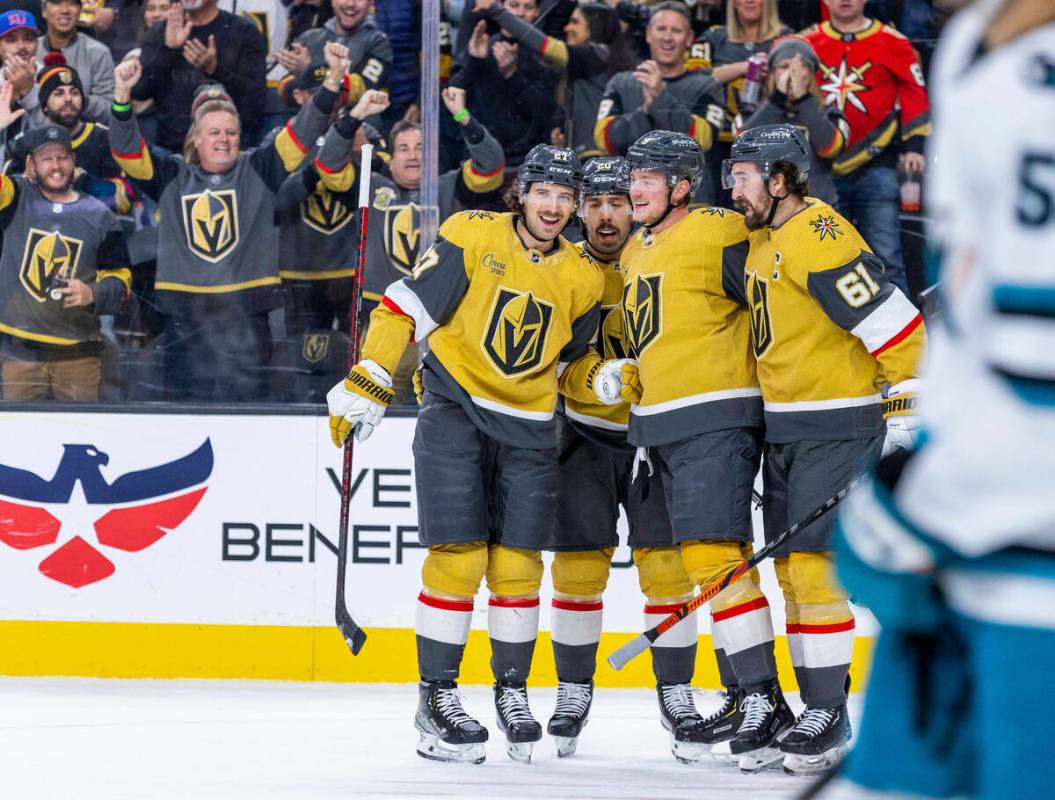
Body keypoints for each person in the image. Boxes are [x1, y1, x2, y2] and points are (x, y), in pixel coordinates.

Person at [326, 145, 625, 766]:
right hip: (456, 413)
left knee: (517, 567)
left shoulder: (583, 276)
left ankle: (511, 692)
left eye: (565, 196)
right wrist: (371, 373)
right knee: (459, 560)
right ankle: (436, 698)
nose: (554, 206)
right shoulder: (469, 234)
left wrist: (598, 379)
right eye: (544, 192)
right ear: (522, 193)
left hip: (532, 431)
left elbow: (567, 363)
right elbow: (404, 305)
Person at [831, 3, 1055, 798]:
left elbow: (1036, 361)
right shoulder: (974, 43)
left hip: (1014, 566)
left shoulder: (1030, 85)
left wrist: (918, 511)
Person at [723, 122, 926, 773]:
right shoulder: (764, 243)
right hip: (787, 431)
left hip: (836, 427)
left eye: (744, 175)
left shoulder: (817, 235)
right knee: (789, 573)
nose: (733, 188)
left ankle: (826, 711)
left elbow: (898, 325)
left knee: (813, 572)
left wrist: (903, 412)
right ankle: (814, 704)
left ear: (779, 180)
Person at [616, 129, 783, 770]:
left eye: (649, 178)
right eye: (634, 177)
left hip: (716, 418)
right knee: (703, 564)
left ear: (683, 186)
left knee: (717, 558)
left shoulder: (720, 229)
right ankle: (754, 698)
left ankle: (762, 700)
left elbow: (777, 294)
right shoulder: (636, 249)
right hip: (655, 429)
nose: (635, 188)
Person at [541, 155, 709, 763]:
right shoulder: (560, 268)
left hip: (657, 439)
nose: (606, 215)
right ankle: (570, 692)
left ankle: (679, 694)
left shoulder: (664, 253)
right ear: (579, 209)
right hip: (582, 439)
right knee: (578, 575)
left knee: (668, 574)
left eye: (618, 202)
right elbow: (546, 359)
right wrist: (593, 379)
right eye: (594, 204)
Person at [109, 43, 352, 401]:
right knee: (181, 422)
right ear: (197, 137)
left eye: (231, 133)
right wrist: (121, 97)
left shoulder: (259, 170)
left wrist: (332, 80)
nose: (223, 140)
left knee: (248, 420)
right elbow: (126, 150)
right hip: (184, 323)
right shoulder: (172, 176)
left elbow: (303, 130)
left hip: (247, 324)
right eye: (214, 132)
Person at [804, 0, 931, 297]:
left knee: (888, 258)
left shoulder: (894, 41)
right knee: (826, 258)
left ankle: (906, 338)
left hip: (879, 165)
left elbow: (915, 94)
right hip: (822, 170)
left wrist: (914, 147)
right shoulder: (804, 43)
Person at [0, 115, 130, 401]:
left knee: (79, 437)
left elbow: (122, 282)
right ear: (31, 165)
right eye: (46, 158)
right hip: (18, 352)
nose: (56, 166)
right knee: (22, 440)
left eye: (62, 157)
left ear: (74, 160)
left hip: (78, 355)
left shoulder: (101, 216)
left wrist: (93, 293)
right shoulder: (14, 196)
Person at [276, 76, 390, 338]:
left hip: (349, 269)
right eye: (315, 93)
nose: (328, 101)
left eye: (336, 94)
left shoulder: (366, 134)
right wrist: (320, 165)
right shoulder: (283, 140)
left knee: (350, 355)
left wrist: (362, 152)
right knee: (298, 356)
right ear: (300, 97)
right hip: (299, 270)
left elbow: (388, 183)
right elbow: (280, 200)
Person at [470, 0, 635, 158]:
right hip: (588, 155)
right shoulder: (594, 60)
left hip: (598, 158)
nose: (567, 27)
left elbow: (544, 45)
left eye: (575, 22)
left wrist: (495, 9)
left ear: (595, 26)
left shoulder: (596, 55)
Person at [594, 2, 724, 199]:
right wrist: (644, 112)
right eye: (661, 29)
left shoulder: (708, 86)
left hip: (689, 204)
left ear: (689, 38)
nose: (667, 37)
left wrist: (659, 99)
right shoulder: (621, 82)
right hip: (630, 201)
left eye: (676, 30)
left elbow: (702, 140)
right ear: (648, 33)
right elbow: (605, 139)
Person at [688, 0, 790, 207]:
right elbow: (691, 81)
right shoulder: (713, 37)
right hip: (718, 144)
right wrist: (745, 67)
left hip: (769, 146)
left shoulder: (787, 38)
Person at [133, 0, 267, 151]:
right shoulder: (161, 30)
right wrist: (168, 50)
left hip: (226, 149)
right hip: (170, 149)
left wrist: (215, 70)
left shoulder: (244, 31)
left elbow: (255, 99)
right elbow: (140, 91)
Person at [6, 53, 131, 214]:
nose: (68, 99)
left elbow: (123, 201)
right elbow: (5, 200)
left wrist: (81, 180)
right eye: (58, 93)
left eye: (74, 92)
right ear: (44, 105)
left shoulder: (105, 139)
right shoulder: (25, 143)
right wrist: (26, 181)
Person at [740, 35, 848, 206]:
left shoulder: (830, 113)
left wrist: (803, 100)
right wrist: (777, 100)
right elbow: (742, 148)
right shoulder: (753, 112)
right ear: (773, 74)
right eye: (784, 66)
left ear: (811, 74)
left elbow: (831, 148)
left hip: (814, 210)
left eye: (800, 67)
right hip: (764, 210)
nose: (792, 74)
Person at [451, 0, 559, 167]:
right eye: (514, 6)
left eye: (528, 7)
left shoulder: (545, 55)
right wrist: (474, 62)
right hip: (481, 156)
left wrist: (513, 75)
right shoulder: (481, 44)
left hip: (529, 161)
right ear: (500, 7)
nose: (519, 13)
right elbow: (451, 100)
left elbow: (545, 113)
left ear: (537, 11)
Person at [278, 0, 391, 108]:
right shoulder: (309, 38)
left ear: (371, 3)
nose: (350, 3)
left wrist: (309, 70)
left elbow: (362, 90)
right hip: (310, 124)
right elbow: (285, 91)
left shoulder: (378, 42)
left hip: (358, 125)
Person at [36, 0, 114, 122]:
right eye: (56, 3)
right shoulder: (31, 50)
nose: (65, 10)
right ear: (44, 11)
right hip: (36, 136)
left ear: (80, 10)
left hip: (85, 136)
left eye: (72, 3)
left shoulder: (98, 52)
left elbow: (110, 109)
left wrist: (79, 100)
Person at [0, 9, 44, 155]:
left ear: (37, 43)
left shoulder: (52, 77)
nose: (21, 47)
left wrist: (28, 92)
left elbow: (60, 133)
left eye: (29, 39)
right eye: (11, 39)